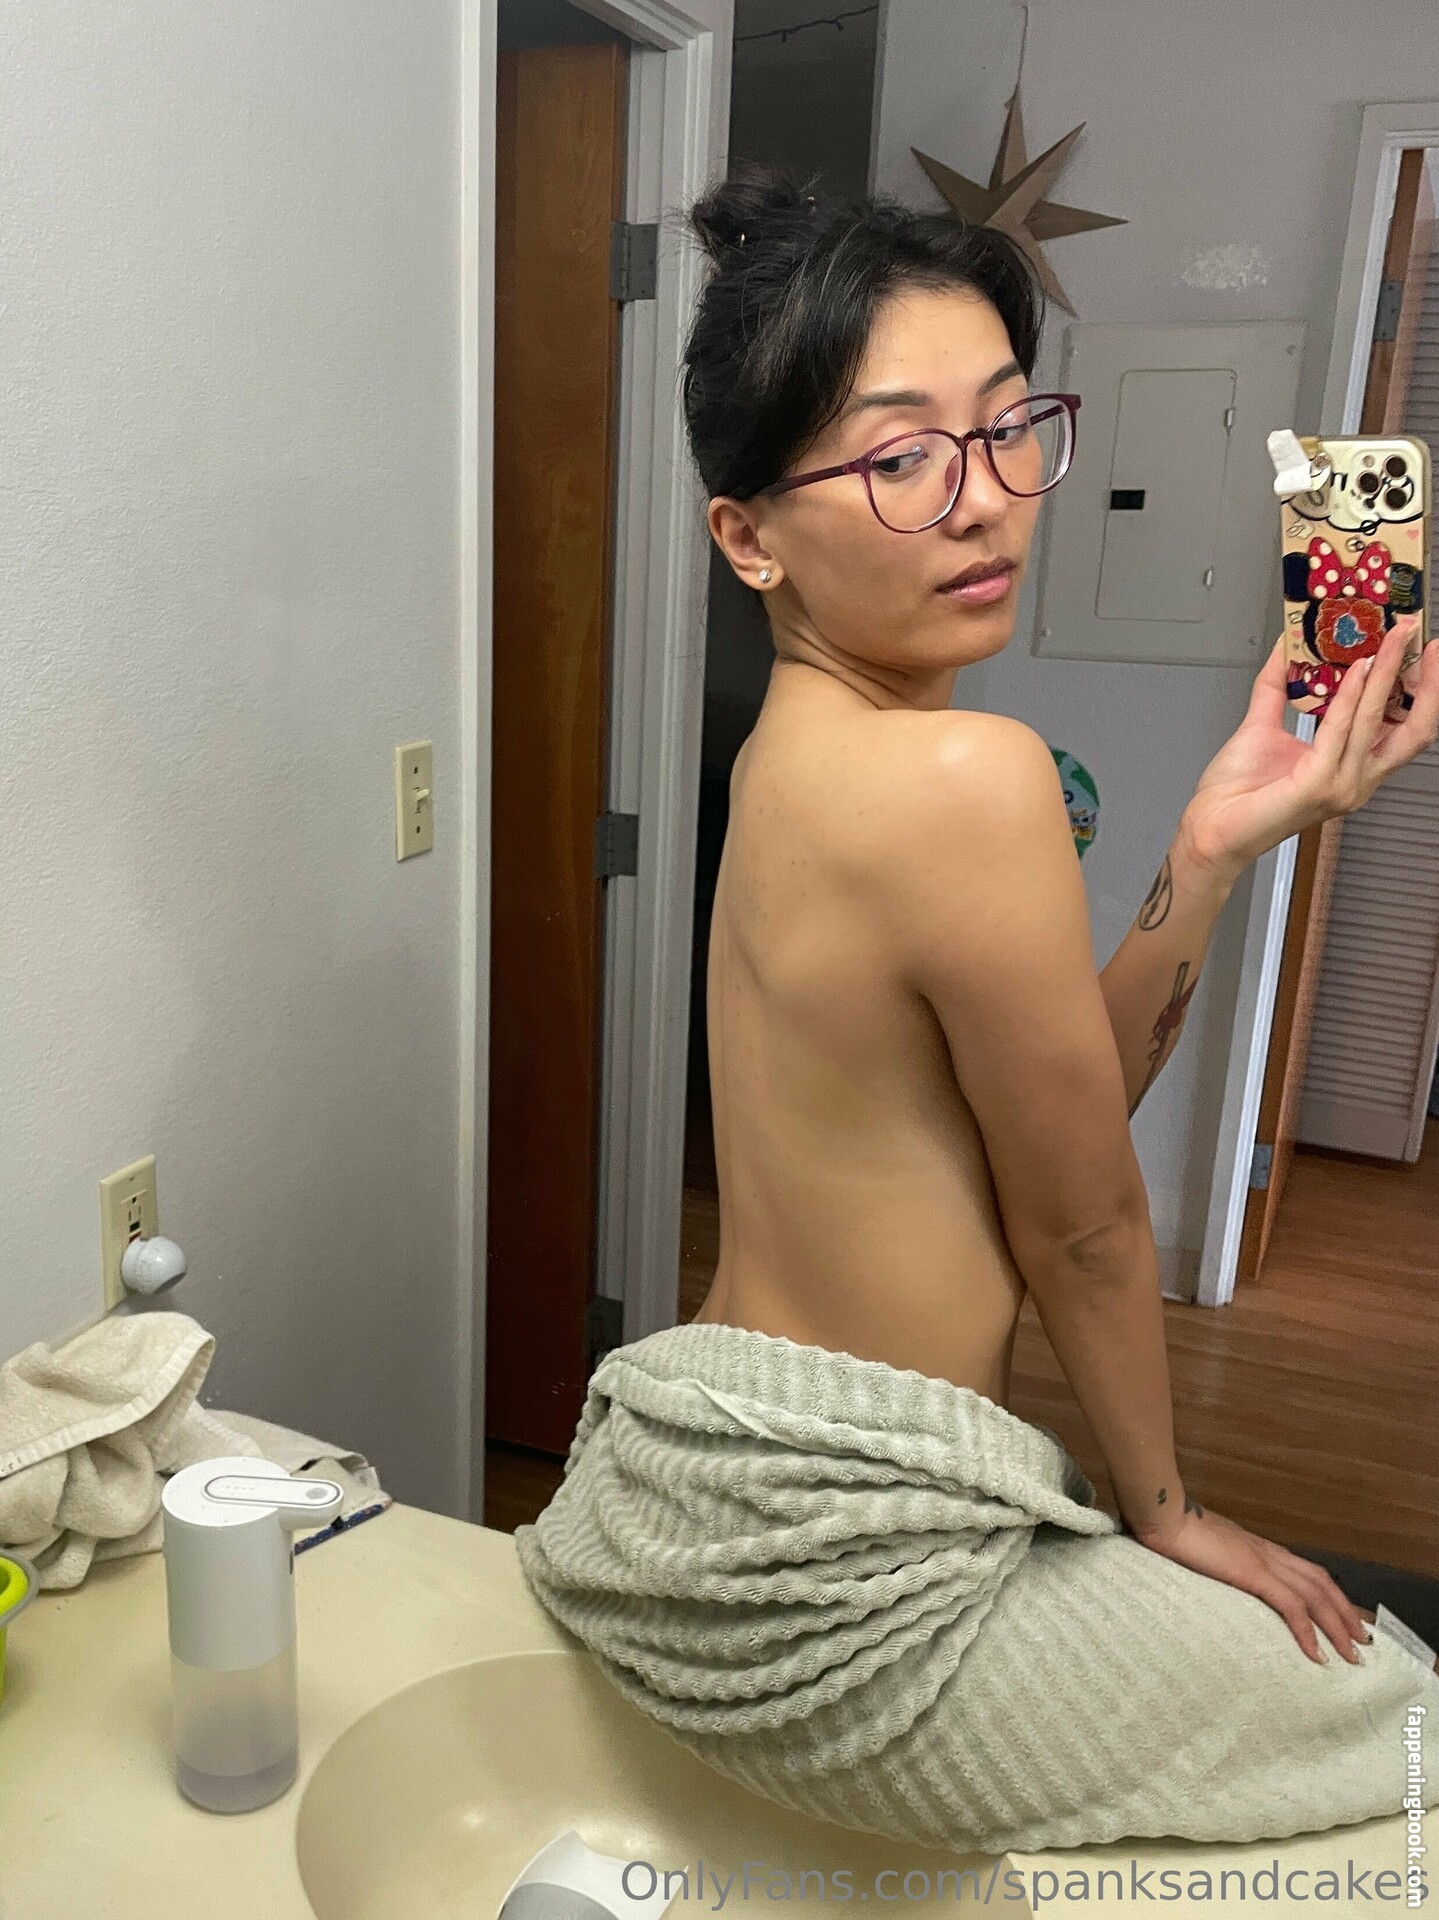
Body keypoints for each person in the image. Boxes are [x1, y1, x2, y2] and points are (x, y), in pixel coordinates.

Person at [514, 162, 1439, 1855]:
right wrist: (1165, 1512)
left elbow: (1056, 1103)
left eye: (1010, 430)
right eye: (900, 458)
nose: (987, 502)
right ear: (746, 536)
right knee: (1407, 1731)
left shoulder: (797, 757)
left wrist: (1214, 845)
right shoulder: (964, 775)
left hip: (706, 1472)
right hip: (845, 1558)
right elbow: (1079, 1220)